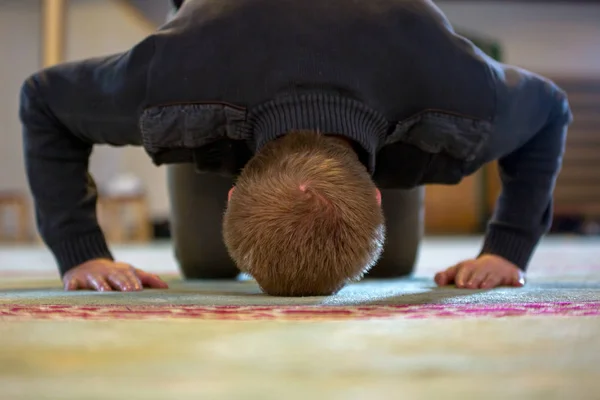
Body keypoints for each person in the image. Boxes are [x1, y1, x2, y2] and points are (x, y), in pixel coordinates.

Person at [19, 0, 571, 296]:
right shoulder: (171, 85)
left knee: (391, 266)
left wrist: (506, 249)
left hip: (398, 57)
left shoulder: (456, 96)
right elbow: (44, 101)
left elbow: (549, 111)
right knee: (207, 264)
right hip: (216, 50)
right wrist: (82, 251)